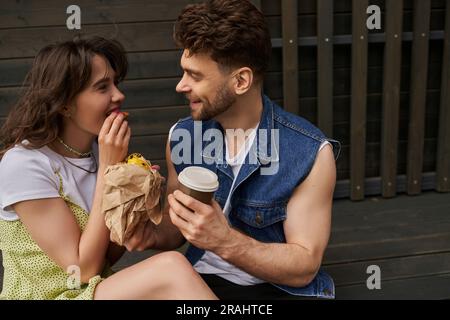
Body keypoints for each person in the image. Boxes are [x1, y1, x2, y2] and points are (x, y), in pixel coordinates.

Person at [124, 0, 340, 299]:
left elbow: (303, 267)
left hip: (275, 291)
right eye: (183, 72)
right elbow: (176, 230)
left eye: (195, 76)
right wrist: (152, 234)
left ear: (240, 80)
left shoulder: (309, 153)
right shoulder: (182, 136)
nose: (181, 86)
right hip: (196, 282)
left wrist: (224, 240)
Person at [0, 36, 216, 300]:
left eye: (116, 83)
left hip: (95, 291)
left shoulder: (96, 155)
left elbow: (105, 257)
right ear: (66, 104)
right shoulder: (25, 163)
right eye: (103, 87)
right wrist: (110, 169)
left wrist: (131, 201)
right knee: (172, 268)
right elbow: (81, 270)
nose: (119, 95)